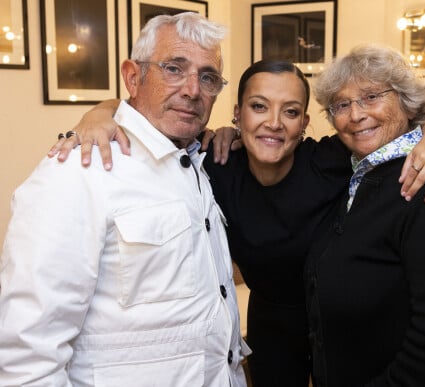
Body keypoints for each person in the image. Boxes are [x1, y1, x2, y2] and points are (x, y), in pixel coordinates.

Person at [48, 60, 425, 386]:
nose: (274, 122)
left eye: (291, 111)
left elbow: (413, 118)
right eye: (259, 106)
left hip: (341, 320)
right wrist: (98, 113)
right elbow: (142, 115)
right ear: (237, 114)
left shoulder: (329, 161)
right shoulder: (215, 163)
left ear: (305, 125)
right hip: (271, 323)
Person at [0, 12, 248, 386]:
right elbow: (27, 352)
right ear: (133, 76)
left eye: (208, 77)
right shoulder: (78, 171)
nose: (193, 90)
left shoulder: (201, 164)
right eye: (174, 69)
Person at [304, 43, 425, 386]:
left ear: (406, 101)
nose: (356, 115)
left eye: (372, 97)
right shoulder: (354, 172)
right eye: (342, 105)